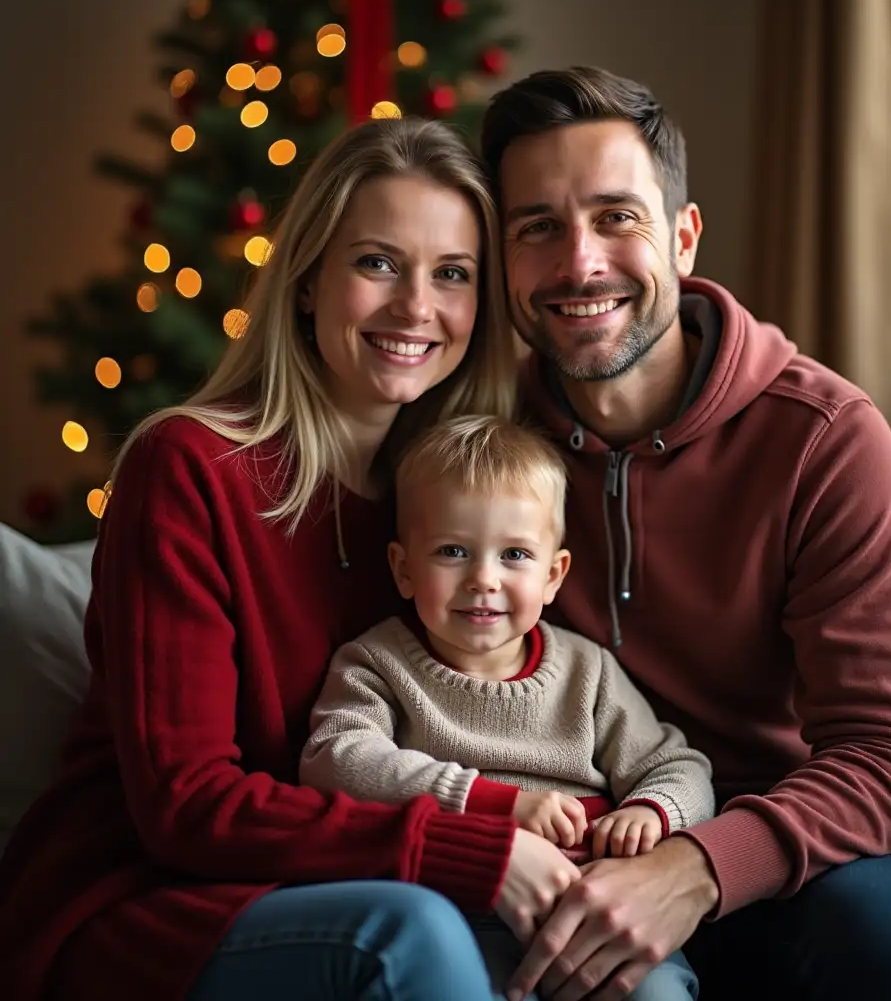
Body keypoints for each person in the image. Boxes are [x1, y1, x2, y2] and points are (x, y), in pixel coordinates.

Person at [0, 117, 578, 1001]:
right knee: (410, 936)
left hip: (358, 880)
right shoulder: (188, 468)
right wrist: (471, 851)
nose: (416, 308)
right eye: (378, 263)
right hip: (154, 897)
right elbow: (187, 806)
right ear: (308, 281)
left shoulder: (461, 504)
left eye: (452, 274)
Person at [478, 66, 891, 1001]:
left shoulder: (823, 439)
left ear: (683, 238)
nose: (579, 262)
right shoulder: (472, 443)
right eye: (537, 228)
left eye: (617, 217)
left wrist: (693, 869)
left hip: (796, 860)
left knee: (888, 941)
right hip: (567, 855)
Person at [301, 413, 715, 1000]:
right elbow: (336, 757)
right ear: (403, 568)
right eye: (452, 551)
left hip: (590, 910)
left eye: (515, 555)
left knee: (655, 993)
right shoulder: (377, 663)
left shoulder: (586, 670)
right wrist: (493, 804)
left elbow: (679, 766)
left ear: (554, 575)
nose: (483, 579)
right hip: (455, 911)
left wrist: (651, 811)